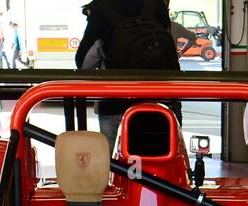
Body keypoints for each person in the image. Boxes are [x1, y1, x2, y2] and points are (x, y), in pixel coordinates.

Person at [75, 0, 181, 149]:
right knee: (157, 160)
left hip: (115, 103)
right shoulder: (156, 5)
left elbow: (84, 62)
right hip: (158, 103)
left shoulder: (102, 7)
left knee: (115, 163)